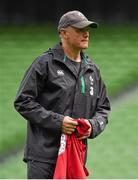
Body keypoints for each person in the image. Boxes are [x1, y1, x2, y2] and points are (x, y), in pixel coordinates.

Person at [14, 10, 111, 179]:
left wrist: (92, 126)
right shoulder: (44, 63)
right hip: (43, 158)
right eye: (80, 29)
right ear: (63, 33)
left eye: (87, 30)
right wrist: (58, 122)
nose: (86, 34)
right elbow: (22, 101)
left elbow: (103, 108)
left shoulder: (92, 70)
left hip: (76, 157)